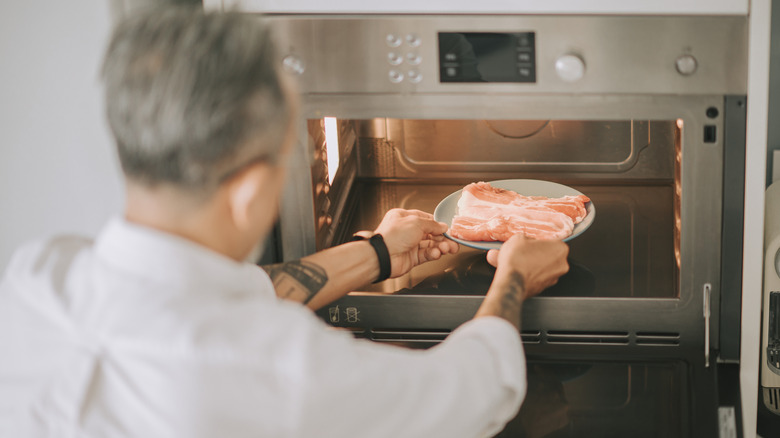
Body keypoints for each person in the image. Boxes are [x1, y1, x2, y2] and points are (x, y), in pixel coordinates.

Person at [0, 8, 569, 438]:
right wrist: (512, 279)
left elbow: (207, 301)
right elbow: (469, 395)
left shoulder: (35, 277)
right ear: (248, 194)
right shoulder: (280, 373)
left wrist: (377, 253)